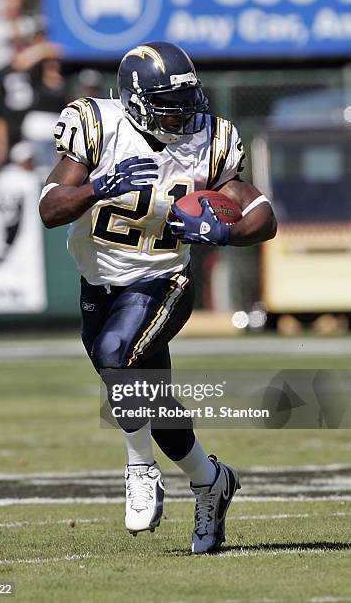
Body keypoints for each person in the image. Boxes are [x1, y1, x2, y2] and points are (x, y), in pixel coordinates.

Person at [39, 41, 277, 554]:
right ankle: (212, 479)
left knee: (114, 353)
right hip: (98, 281)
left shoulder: (210, 140)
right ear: (134, 99)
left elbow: (262, 215)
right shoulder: (97, 125)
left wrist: (225, 235)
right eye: (169, 101)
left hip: (163, 278)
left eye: (186, 99)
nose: (183, 111)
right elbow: (51, 207)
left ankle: (139, 470)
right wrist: (100, 185)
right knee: (155, 405)